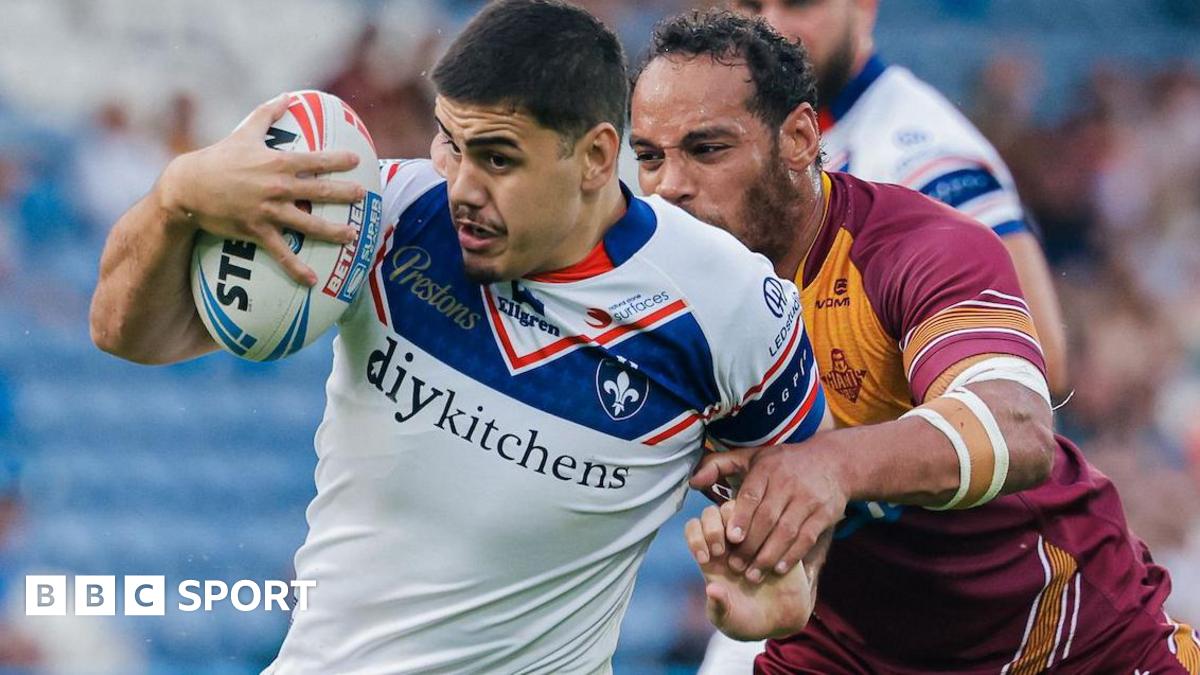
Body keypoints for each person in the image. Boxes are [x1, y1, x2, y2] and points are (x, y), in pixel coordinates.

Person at [88, 1, 830, 672]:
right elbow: (126, 333)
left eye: (498, 157)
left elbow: (803, 484)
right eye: (451, 143)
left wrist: (785, 585)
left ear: (597, 156)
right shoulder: (382, 215)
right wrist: (175, 197)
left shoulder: (728, 304)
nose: (463, 186)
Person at [627, 10, 1199, 673]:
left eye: (707, 150)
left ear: (801, 138)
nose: (669, 186)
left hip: (1065, 642)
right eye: (649, 158)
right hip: (848, 648)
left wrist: (831, 464)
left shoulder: (916, 226)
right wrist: (777, 569)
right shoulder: (652, 301)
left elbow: (1019, 423)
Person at [731, 0, 1070, 396]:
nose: (771, 26)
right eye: (750, 5)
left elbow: (1033, 360)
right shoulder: (789, 133)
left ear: (863, 8)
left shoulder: (922, 159)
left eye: (800, 3)